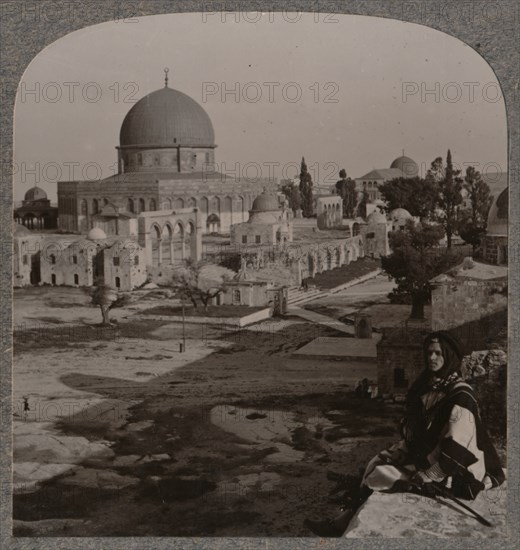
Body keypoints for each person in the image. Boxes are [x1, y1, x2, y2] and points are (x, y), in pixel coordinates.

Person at [304, 330, 505, 537]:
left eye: (438, 353)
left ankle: (340, 524)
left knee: (383, 474)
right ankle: (342, 519)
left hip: (457, 468)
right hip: (432, 456)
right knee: (377, 460)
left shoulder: (461, 396)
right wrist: (403, 449)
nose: (431, 358)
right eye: (429, 353)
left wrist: (430, 474)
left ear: (449, 356)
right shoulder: (428, 387)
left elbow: (458, 445)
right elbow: (417, 430)